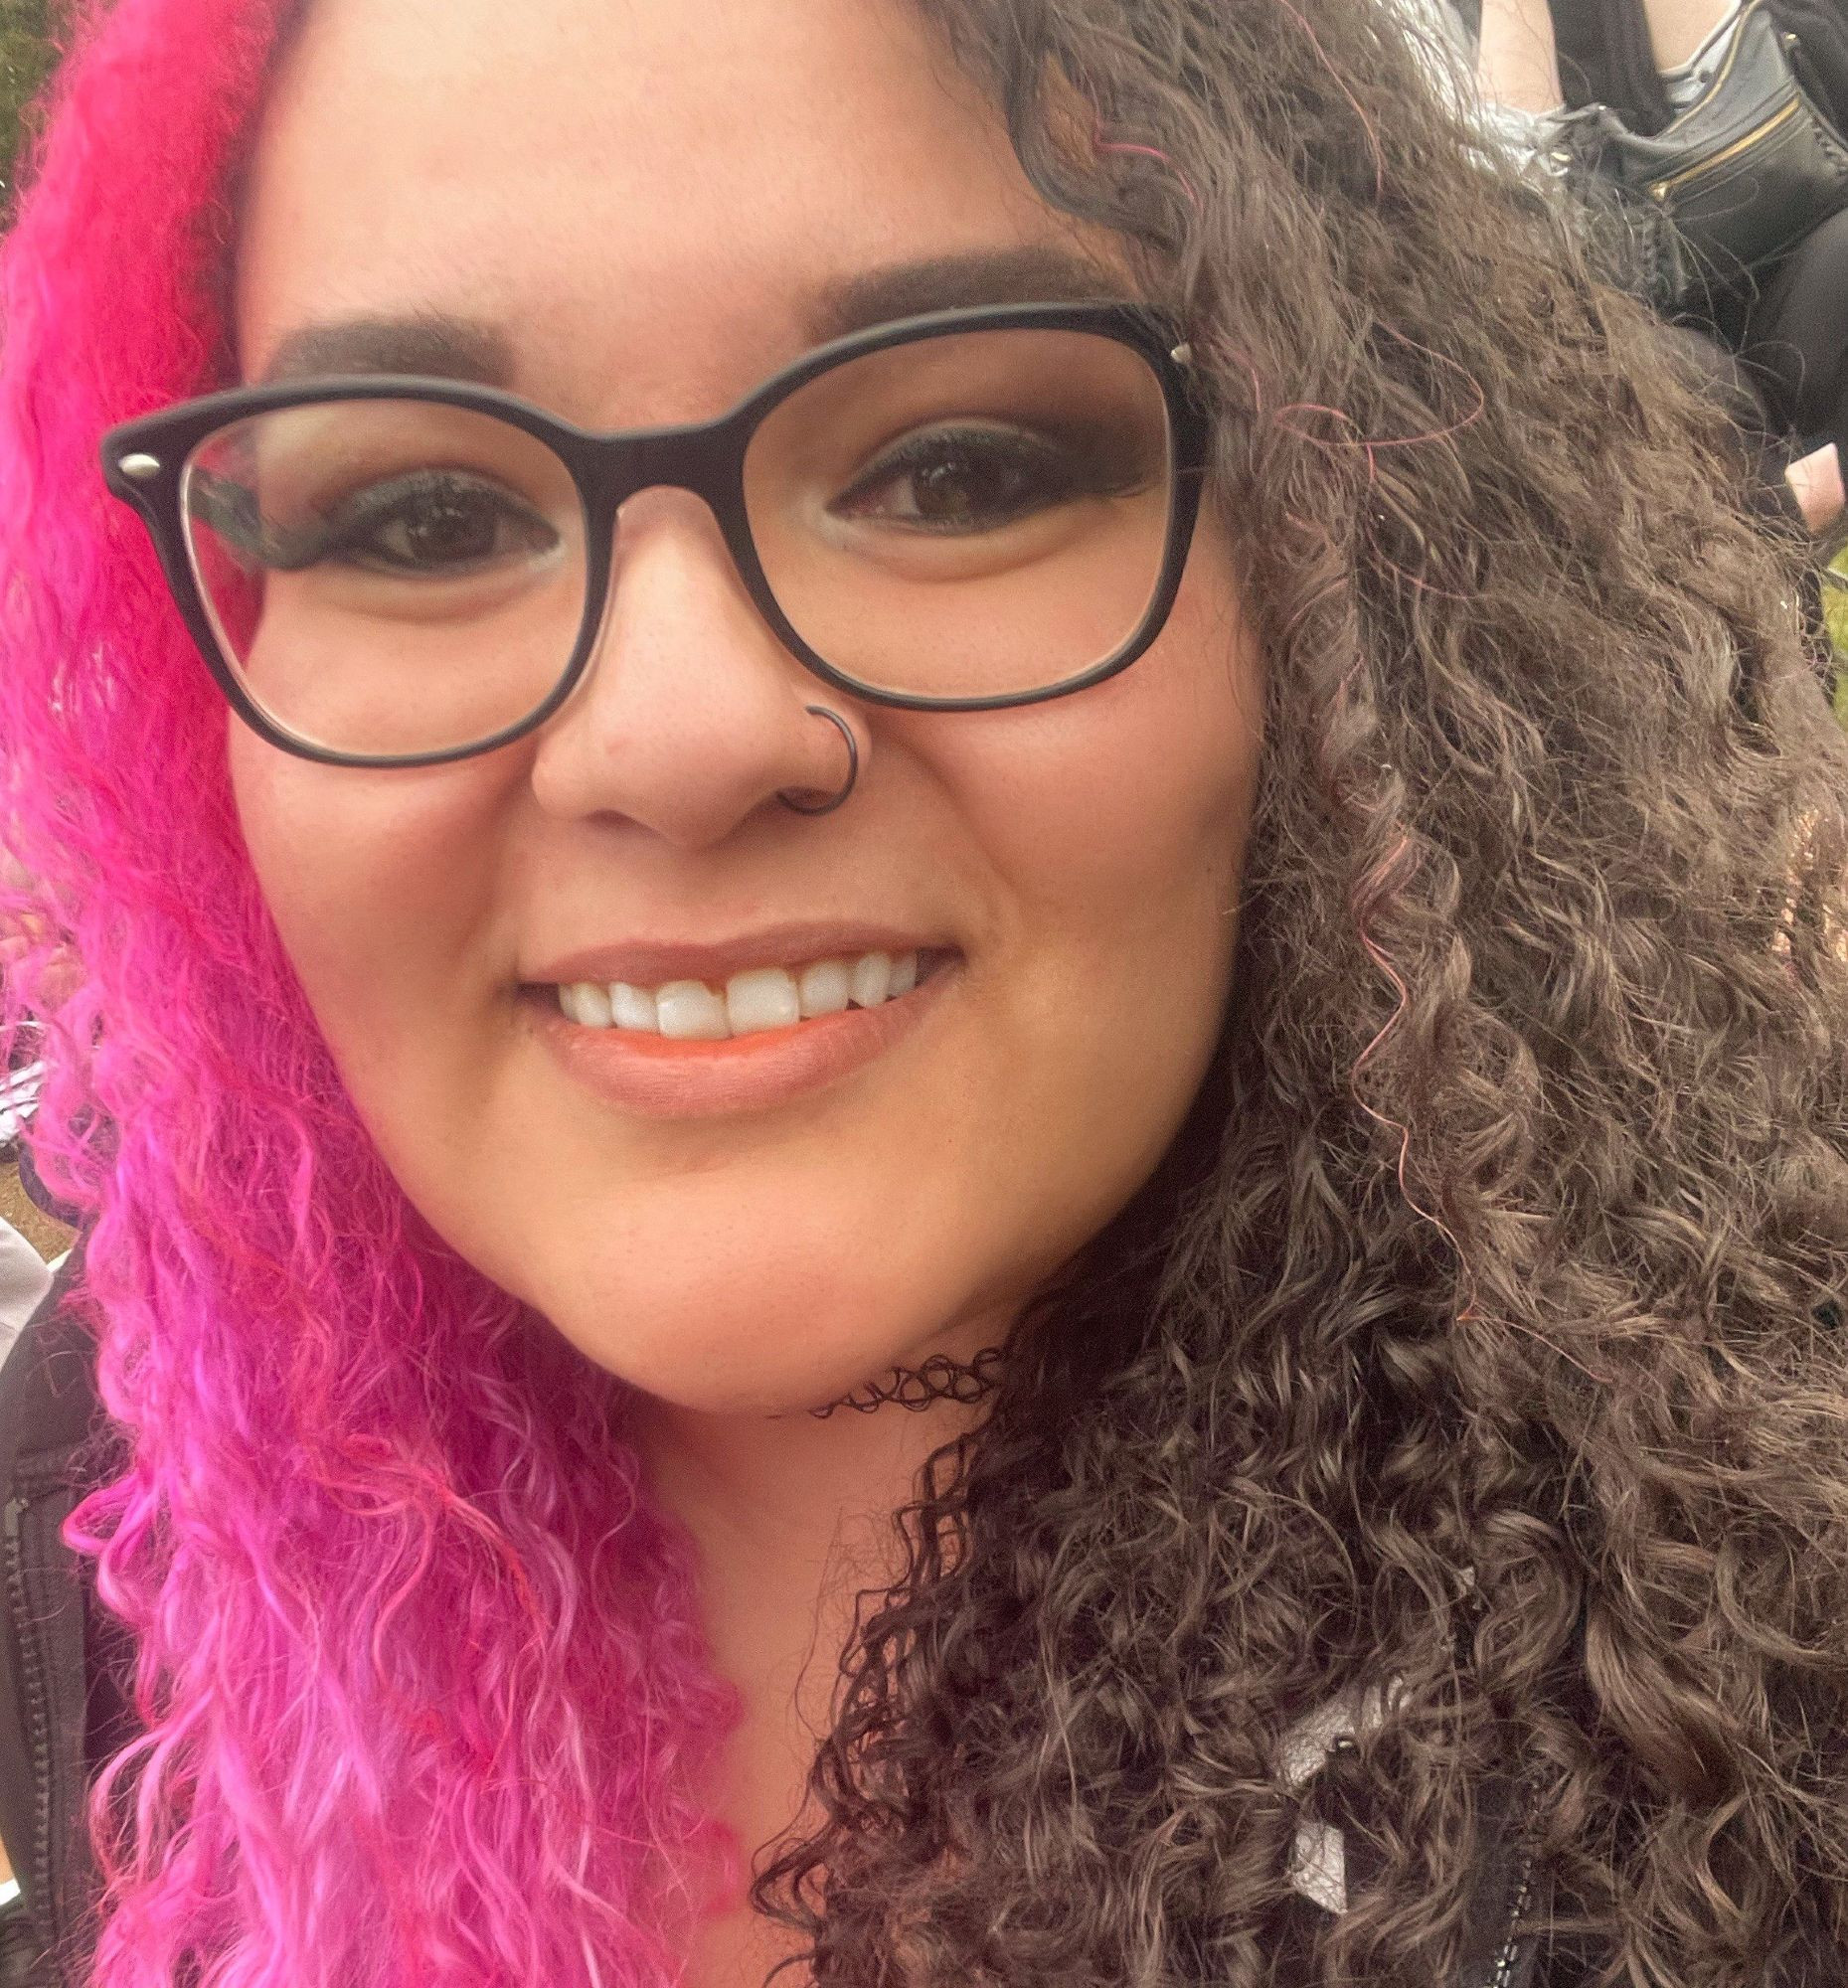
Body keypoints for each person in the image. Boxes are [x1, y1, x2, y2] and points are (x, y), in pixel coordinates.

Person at [1, 0, 1846, 1984]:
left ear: (1339, 570)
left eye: (958, 470)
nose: (676, 733)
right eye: (421, 518)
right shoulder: (119, 1492)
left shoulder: (1761, 1634)